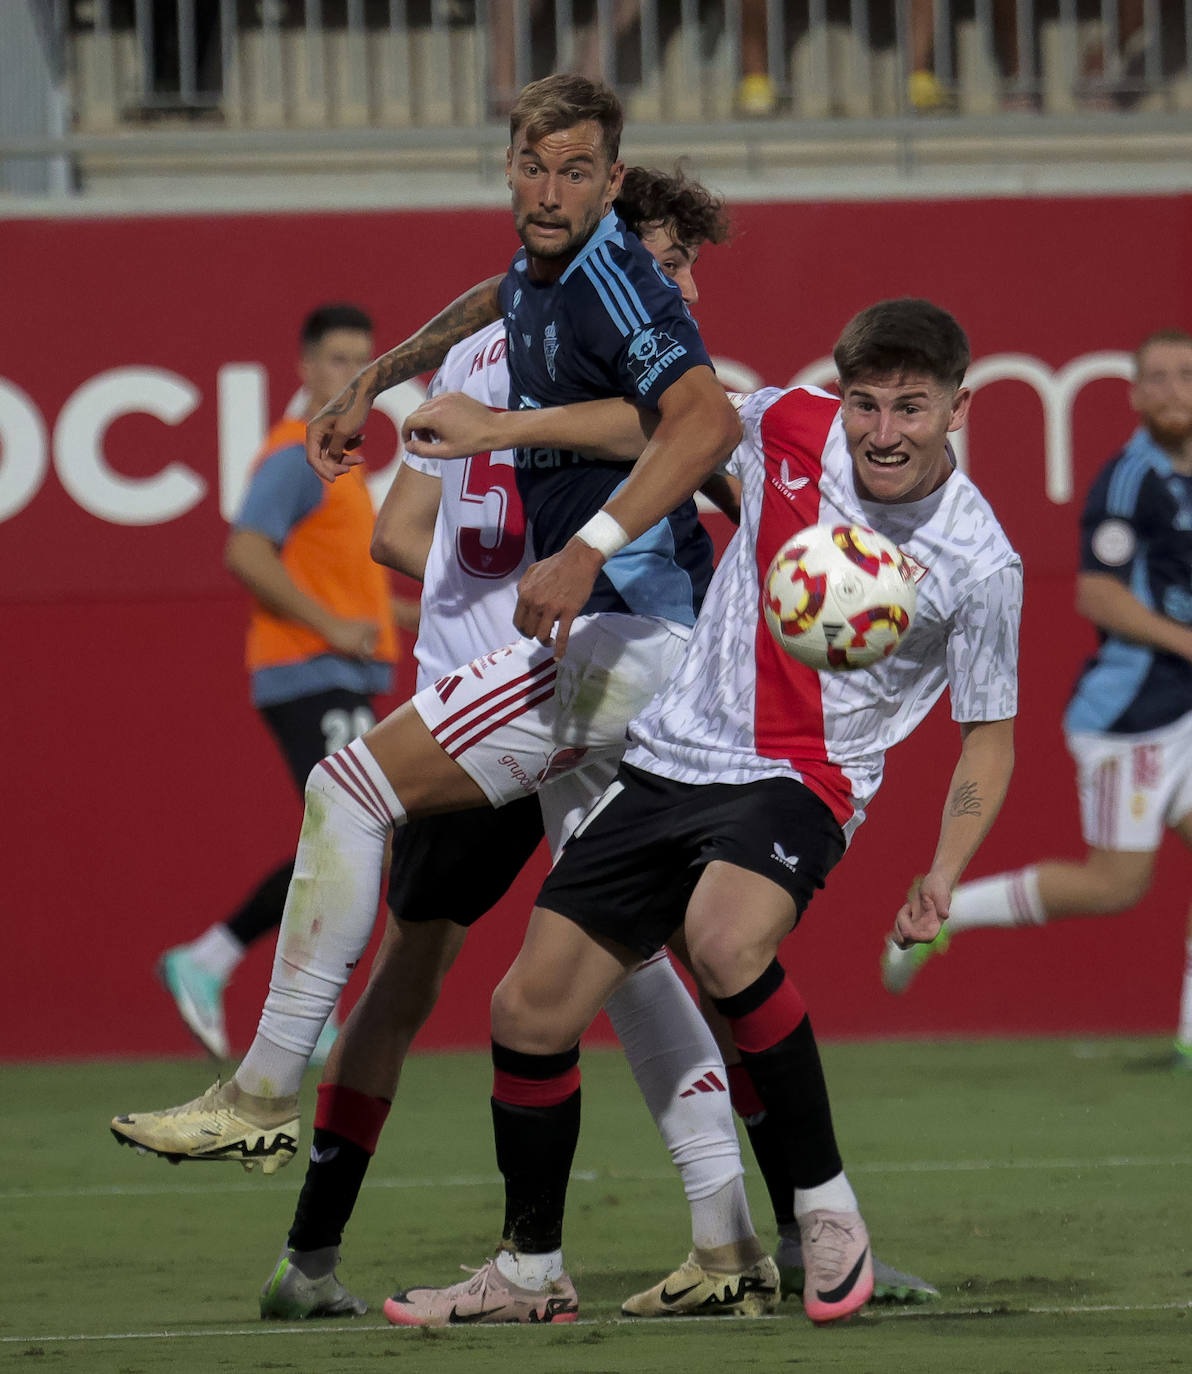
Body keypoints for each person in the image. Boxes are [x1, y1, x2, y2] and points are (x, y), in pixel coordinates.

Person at [378, 296, 1022, 1328]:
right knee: (526, 1011)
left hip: (804, 777)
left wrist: (944, 868)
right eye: (866, 404)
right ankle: (529, 1270)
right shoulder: (793, 425)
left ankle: (825, 1209)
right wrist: (501, 427)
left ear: (958, 408)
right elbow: (667, 421)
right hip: (672, 757)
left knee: (723, 942)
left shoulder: (979, 563)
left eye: (911, 408)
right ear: (839, 395)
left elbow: (987, 731)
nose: (883, 432)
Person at [256, 164, 786, 1323]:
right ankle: (766, 1231)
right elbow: (720, 473)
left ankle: (313, 1252)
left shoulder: (515, 348)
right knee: (640, 955)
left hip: (515, 692)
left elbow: (402, 529)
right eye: (667, 261)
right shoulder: (648, 388)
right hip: (542, 690)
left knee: (563, 957)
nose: (683, 283)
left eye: (688, 265)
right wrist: (541, 603)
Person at [881, 327, 1192, 1073]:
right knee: (1115, 883)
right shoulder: (1130, 479)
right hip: (1132, 715)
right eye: (1157, 377)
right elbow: (1099, 593)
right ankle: (940, 913)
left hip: (1184, 709)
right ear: (1135, 394)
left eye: (1186, 374)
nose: (1173, 389)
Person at [157, 303, 412, 1064]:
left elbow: (341, 583)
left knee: (353, 835)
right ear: (304, 367)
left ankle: (263, 984)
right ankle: (222, 964)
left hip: (337, 672)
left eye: (362, 363)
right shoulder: (294, 457)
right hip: (310, 672)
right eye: (336, 360)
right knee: (365, 828)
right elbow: (245, 551)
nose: (350, 376)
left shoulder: (336, 459)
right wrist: (332, 629)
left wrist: (412, 612)